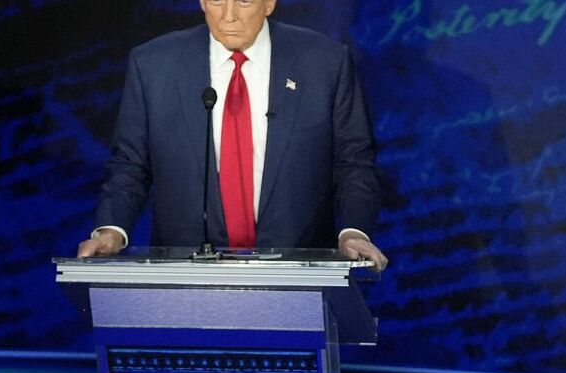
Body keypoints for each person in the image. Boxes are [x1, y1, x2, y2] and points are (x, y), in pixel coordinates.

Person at [76, 0, 387, 269]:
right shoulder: (154, 65)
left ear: (269, 3)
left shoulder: (325, 63)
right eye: (216, 2)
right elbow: (130, 165)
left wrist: (353, 231)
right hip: (185, 277)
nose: (228, 16)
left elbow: (353, 163)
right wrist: (111, 230)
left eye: (244, 3)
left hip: (297, 272)